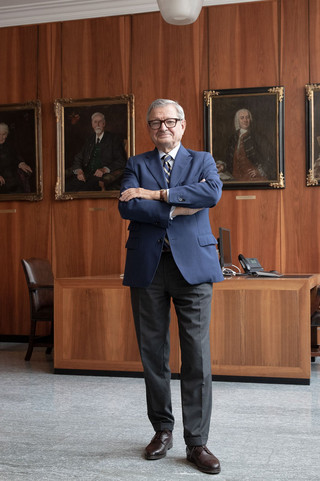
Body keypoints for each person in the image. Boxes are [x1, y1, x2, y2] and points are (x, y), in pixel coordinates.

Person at [118, 99, 224, 475]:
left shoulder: (203, 160)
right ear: (148, 129)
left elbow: (211, 194)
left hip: (192, 270)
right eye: (155, 123)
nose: (162, 127)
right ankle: (162, 430)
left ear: (182, 125)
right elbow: (127, 208)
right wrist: (179, 204)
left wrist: (156, 195)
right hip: (148, 267)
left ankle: (197, 443)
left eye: (170, 121)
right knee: (153, 355)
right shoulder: (136, 163)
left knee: (196, 357)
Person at [66, 112, 127, 192]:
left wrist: (104, 169)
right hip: (85, 175)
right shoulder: (89, 139)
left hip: (100, 177)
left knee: (85, 190)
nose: (97, 124)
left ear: (104, 124)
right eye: (95, 122)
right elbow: (78, 158)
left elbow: (121, 161)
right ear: (92, 124)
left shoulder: (113, 139)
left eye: (100, 122)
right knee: (68, 188)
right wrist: (79, 171)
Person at [221, 108, 275, 181]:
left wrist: (260, 171)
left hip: (254, 179)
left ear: (250, 119)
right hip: (235, 179)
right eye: (242, 118)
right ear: (238, 121)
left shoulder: (257, 137)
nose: (245, 120)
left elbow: (272, 156)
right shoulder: (233, 138)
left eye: (247, 117)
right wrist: (223, 166)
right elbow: (229, 159)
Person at [0, 122, 33, 194]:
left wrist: (21, 163)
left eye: (4, 134)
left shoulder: (8, 145)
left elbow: (15, 157)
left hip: (12, 179)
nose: (1, 137)